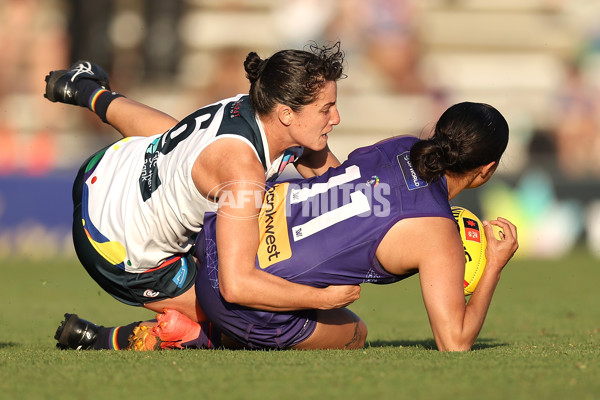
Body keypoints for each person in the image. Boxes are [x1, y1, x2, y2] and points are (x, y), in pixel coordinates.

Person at [65, 102, 519, 352]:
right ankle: (188, 336)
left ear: (437, 131)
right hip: (242, 288)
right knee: (354, 334)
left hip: (220, 234)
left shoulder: (399, 145)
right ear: (487, 170)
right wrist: (493, 263)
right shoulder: (437, 233)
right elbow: (454, 342)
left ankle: (108, 337)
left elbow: (336, 180)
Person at [46, 42, 360, 350]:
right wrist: (325, 298)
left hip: (105, 170)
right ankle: (103, 339)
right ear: (286, 114)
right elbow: (237, 285)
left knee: (173, 136)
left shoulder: (255, 107)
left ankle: (86, 90)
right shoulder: (243, 173)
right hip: (112, 246)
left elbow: (339, 189)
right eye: (326, 109)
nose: (336, 118)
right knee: (267, 321)